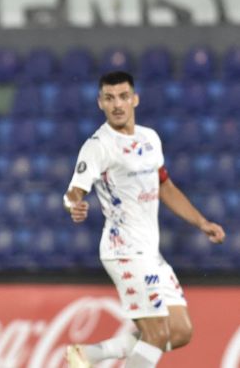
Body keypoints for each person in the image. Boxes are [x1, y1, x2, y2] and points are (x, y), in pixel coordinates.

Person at [63, 71, 226, 368]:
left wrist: (201, 222)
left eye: (123, 97)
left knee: (179, 332)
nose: (117, 104)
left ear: (134, 99)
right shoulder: (98, 146)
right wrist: (74, 205)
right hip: (123, 250)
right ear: (100, 103)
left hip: (150, 252)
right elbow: (74, 192)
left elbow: (165, 185)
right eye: (109, 98)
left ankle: (91, 355)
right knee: (156, 333)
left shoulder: (150, 139)